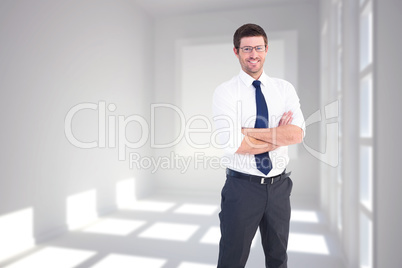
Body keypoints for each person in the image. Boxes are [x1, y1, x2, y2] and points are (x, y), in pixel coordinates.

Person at [212, 23, 305, 268]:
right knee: (232, 259)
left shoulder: (284, 89)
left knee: (278, 258)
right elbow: (234, 144)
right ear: (236, 52)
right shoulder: (225, 92)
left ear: (266, 49)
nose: (254, 54)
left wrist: (248, 132)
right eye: (247, 49)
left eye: (259, 48)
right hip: (242, 188)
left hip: (279, 188)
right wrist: (277, 135)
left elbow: (296, 135)